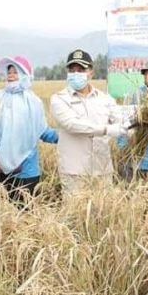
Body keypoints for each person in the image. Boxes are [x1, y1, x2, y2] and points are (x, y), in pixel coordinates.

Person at [49, 49, 126, 194]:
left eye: (81, 69)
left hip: (102, 169)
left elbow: (120, 118)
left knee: (104, 214)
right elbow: (71, 124)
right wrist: (106, 129)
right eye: (72, 70)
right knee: (76, 215)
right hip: (74, 172)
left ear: (91, 72)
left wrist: (129, 125)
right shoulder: (59, 99)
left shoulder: (104, 98)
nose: (76, 74)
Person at [0, 55, 58, 204]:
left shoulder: (33, 102)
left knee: (24, 216)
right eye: (9, 72)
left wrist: (65, 136)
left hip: (26, 170)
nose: (11, 76)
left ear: (25, 75)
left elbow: (42, 131)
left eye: (15, 72)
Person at [117, 58, 148, 179]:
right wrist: (123, 147)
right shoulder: (135, 96)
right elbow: (125, 125)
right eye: (147, 73)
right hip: (138, 159)